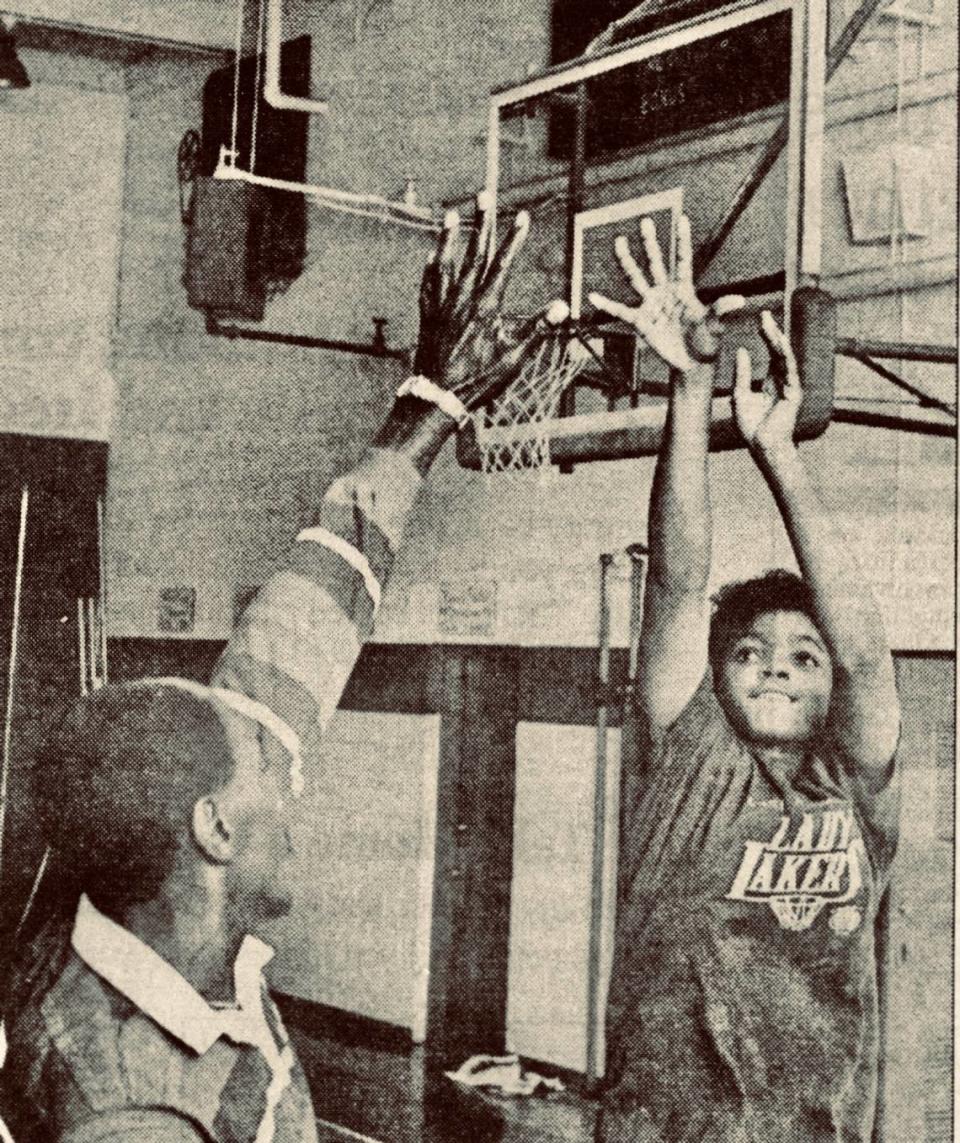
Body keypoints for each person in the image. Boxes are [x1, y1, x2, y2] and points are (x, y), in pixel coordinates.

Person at [1, 199, 564, 1143]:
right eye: (265, 763)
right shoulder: (135, 1110)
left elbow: (301, 626)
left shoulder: (162, 933)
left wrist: (430, 406)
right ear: (214, 828)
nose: (290, 770)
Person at [589, 216, 901, 1142]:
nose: (774, 663)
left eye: (802, 656)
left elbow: (866, 657)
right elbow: (682, 589)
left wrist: (780, 451)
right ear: (717, 677)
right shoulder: (691, 752)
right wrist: (690, 390)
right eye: (750, 650)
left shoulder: (856, 782)